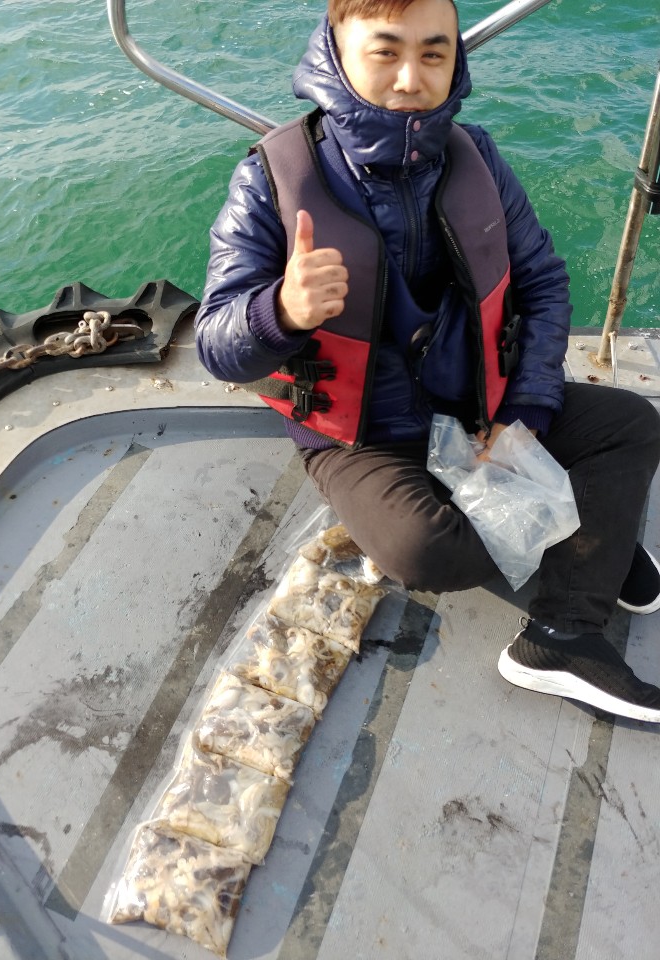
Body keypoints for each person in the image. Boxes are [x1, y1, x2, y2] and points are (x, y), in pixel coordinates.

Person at [195, 0, 660, 722]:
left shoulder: (477, 156)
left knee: (633, 423)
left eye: (433, 53)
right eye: (386, 52)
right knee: (427, 551)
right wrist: (280, 310)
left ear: (455, 61)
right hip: (363, 437)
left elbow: (542, 281)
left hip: (479, 402)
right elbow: (215, 343)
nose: (411, 78)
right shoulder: (270, 177)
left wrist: (523, 416)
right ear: (336, 51)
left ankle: (563, 635)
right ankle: (586, 530)